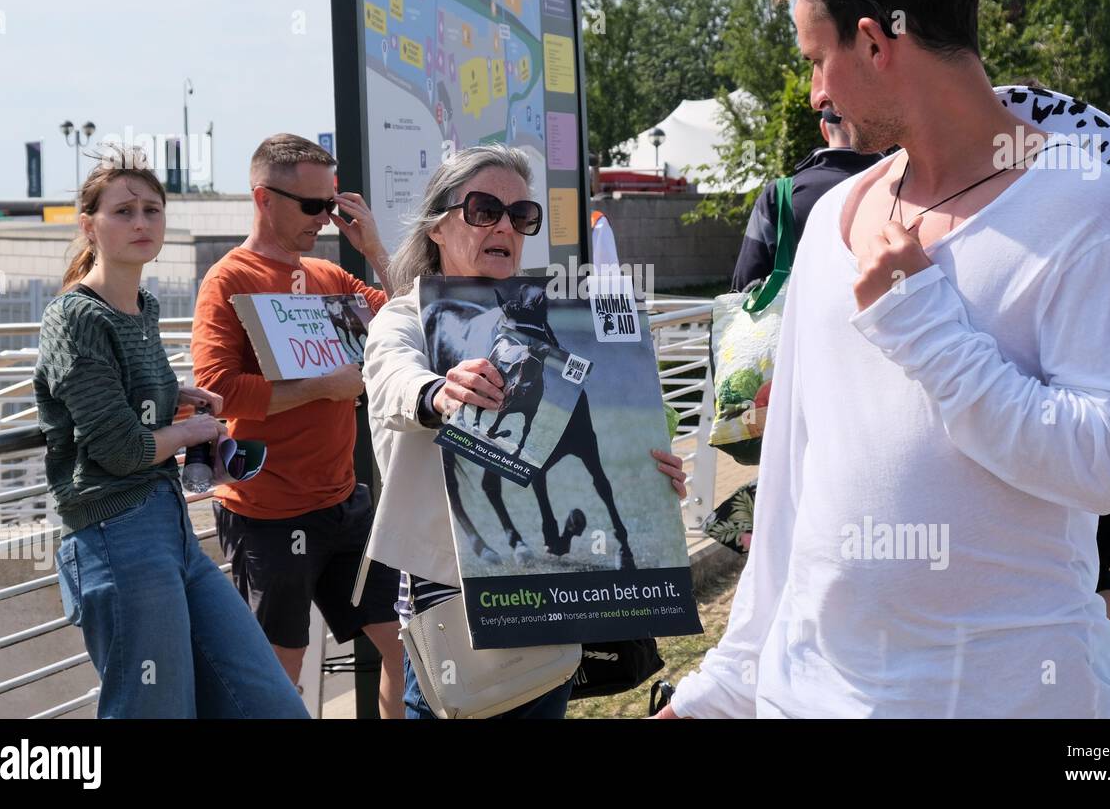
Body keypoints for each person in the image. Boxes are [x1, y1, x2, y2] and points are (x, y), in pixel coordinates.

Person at [659, 0, 1110, 718]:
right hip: (807, 698)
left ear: (874, 40)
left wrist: (924, 323)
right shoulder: (832, 219)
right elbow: (790, 487)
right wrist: (722, 683)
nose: (816, 92)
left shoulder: (1089, 212)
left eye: (819, 59)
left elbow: (1106, 464)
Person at [358, 143, 688, 718]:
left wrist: (650, 473)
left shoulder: (545, 321)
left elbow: (580, 430)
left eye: (521, 215)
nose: (505, 226)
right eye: (484, 209)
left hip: (548, 595)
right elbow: (391, 379)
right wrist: (438, 391)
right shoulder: (403, 317)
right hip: (451, 601)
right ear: (438, 226)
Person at [35, 147, 307, 718]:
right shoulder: (76, 315)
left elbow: (124, 401)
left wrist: (172, 396)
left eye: (152, 210)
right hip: (117, 534)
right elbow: (119, 448)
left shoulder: (143, 307)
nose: (141, 223)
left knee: (270, 705)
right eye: (124, 211)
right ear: (89, 226)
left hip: (172, 532)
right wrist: (195, 432)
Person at [190, 133, 405, 717]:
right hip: (267, 513)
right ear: (263, 198)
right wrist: (322, 387)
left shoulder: (329, 275)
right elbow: (216, 390)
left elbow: (410, 314)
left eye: (331, 205)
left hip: (343, 503)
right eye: (312, 206)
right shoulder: (228, 280)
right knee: (280, 677)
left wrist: (376, 248)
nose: (325, 219)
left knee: (405, 646)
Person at [732, 92, 883, 291]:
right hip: (883, 320)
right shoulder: (904, 185)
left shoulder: (779, 194)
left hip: (798, 321)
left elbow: (744, 285)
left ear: (824, 130)